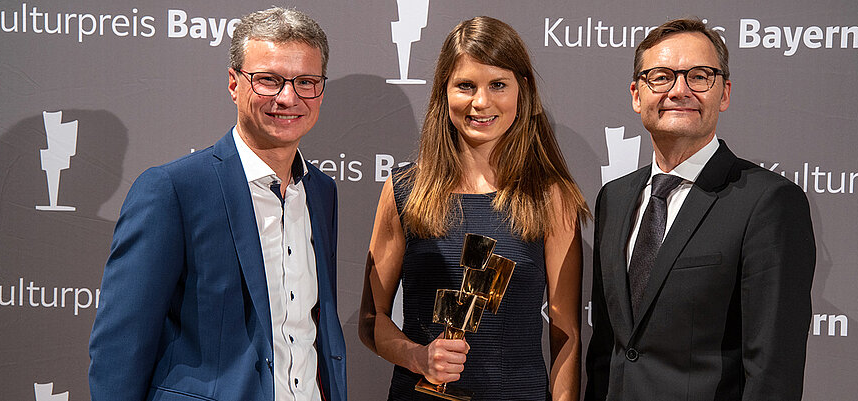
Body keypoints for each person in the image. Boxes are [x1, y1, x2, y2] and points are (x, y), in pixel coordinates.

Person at [88, 7, 346, 401]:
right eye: (268, 80)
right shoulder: (173, 190)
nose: (288, 97)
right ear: (234, 83)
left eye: (306, 82)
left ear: (321, 90)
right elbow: (120, 347)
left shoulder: (322, 191)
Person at [359, 16, 589, 401]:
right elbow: (371, 320)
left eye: (498, 85)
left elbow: (566, 335)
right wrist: (418, 357)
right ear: (443, 92)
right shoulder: (404, 190)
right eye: (465, 85)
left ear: (523, 91)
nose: (481, 102)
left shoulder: (552, 196)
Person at [585, 18, 815, 400]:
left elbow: (774, 369)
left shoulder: (768, 202)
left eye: (699, 76)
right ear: (636, 94)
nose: (679, 90)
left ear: (724, 93)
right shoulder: (615, 197)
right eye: (660, 77)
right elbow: (608, 347)